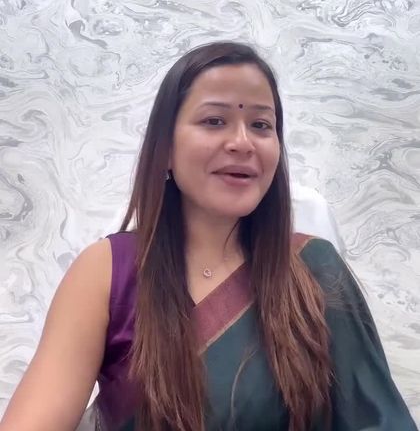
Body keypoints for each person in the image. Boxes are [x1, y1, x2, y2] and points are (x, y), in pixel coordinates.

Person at [1, 42, 417, 431]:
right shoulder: (107, 271)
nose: (242, 142)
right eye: (214, 121)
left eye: (261, 124)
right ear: (165, 147)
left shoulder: (315, 269)